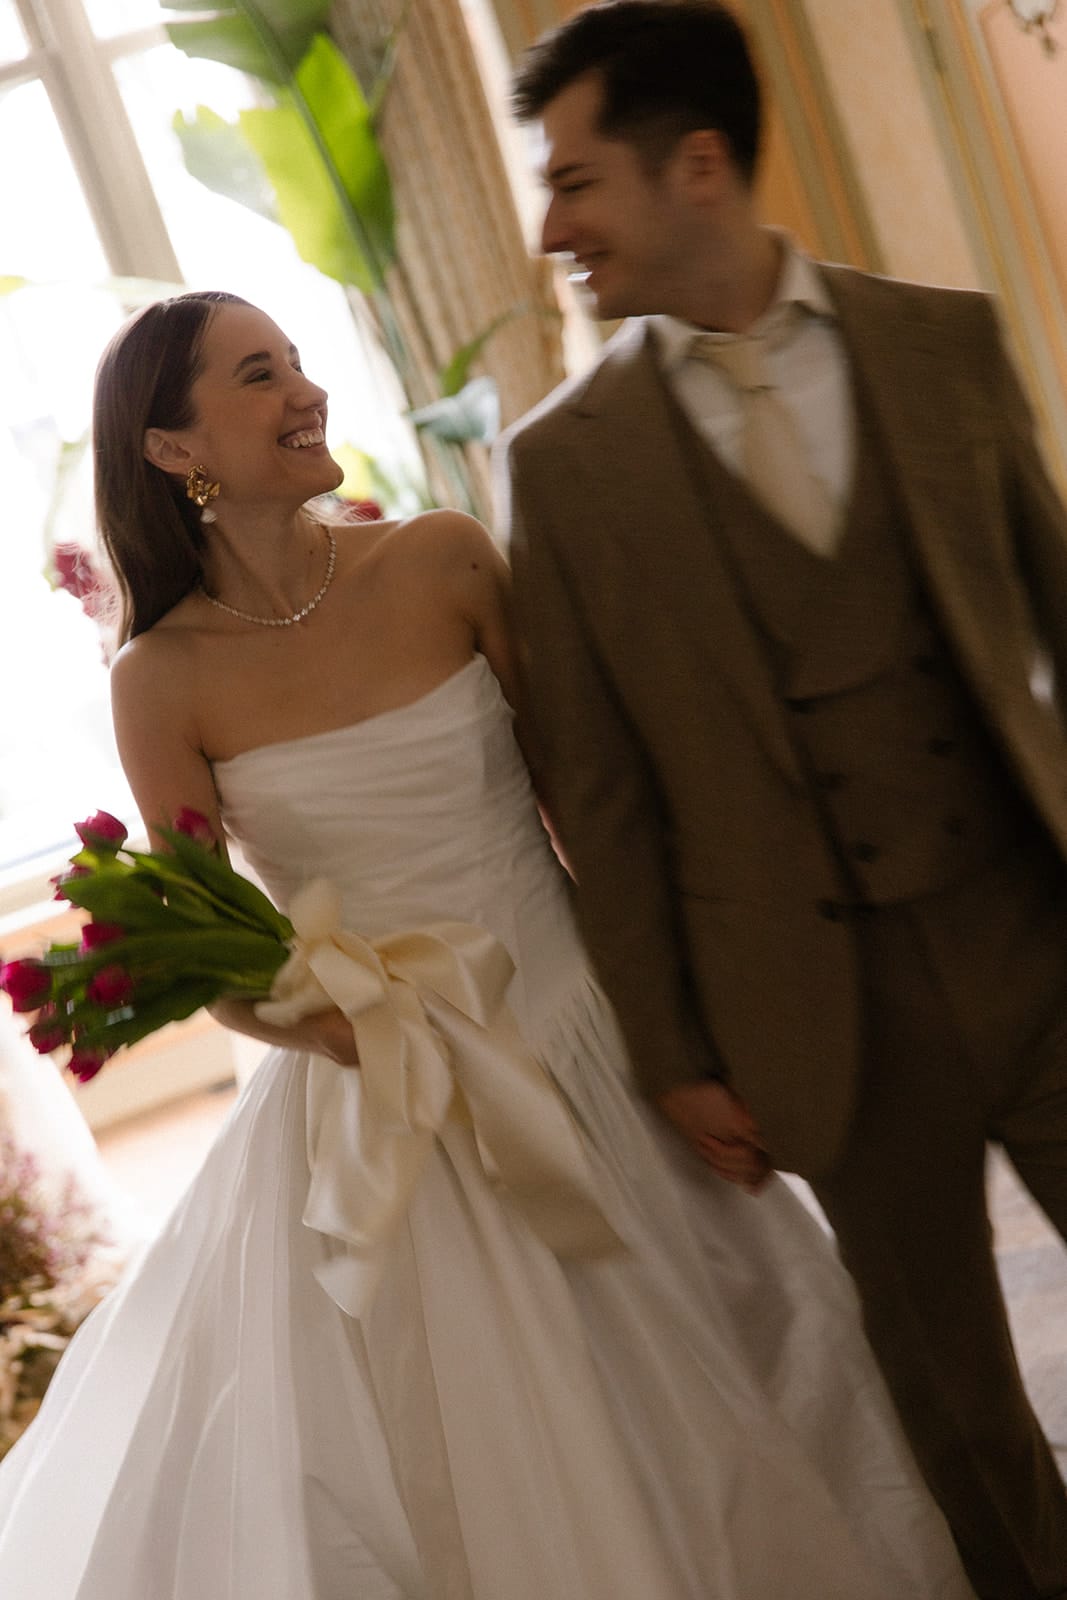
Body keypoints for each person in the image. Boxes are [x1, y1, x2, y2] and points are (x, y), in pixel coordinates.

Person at [0, 290, 977, 1597]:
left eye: (299, 364)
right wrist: (346, 1027)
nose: (307, 393)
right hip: (389, 1106)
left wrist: (701, 1024)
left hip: (589, 1028)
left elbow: (596, 810)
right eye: (257, 377)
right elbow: (214, 956)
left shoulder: (445, 559)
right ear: (175, 451)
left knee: (748, 1373)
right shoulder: (160, 678)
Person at [500, 4, 1067, 1598]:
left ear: (697, 166)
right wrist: (674, 1054)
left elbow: (1061, 611)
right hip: (826, 1018)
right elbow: (600, 798)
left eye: (576, 180)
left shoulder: (937, 343)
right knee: (957, 1412)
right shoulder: (566, 467)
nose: (553, 228)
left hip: (1038, 933)